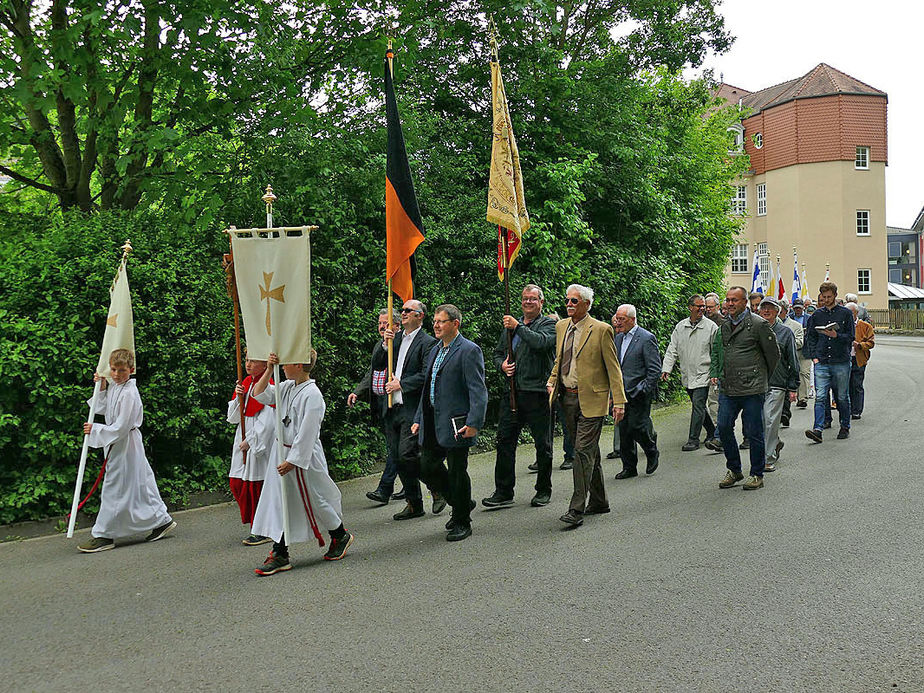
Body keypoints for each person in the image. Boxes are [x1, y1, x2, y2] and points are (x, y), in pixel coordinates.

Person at [251, 350, 353, 575]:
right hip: (282, 453)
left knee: (315, 500)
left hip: (301, 458)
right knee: (281, 502)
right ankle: (280, 552)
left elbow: (308, 432)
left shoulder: (313, 395)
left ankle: (339, 535)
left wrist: (294, 460)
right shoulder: (287, 387)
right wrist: (269, 369)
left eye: (286, 363)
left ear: (298, 364)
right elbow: (259, 395)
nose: (283, 367)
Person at [78, 348, 175, 552]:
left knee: (116, 485)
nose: (116, 374)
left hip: (126, 443)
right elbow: (104, 408)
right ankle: (160, 521)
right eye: (113, 369)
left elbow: (122, 426)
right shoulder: (115, 386)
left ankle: (104, 534)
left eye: (121, 370)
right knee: (139, 483)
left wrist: (96, 429)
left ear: (131, 370)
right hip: (118, 443)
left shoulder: (130, 392)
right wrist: (102, 387)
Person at [546, 284, 626, 528]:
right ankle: (600, 501)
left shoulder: (601, 330)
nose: (569, 304)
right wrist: (552, 380)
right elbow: (561, 359)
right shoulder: (561, 327)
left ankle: (576, 508)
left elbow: (614, 368)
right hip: (567, 398)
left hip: (593, 400)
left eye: (574, 301)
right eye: (567, 300)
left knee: (581, 452)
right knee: (590, 452)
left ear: (587, 305)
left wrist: (619, 401)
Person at [412, 305, 488, 542]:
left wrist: (474, 422)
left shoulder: (469, 350)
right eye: (434, 321)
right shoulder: (435, 350)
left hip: (458, 423)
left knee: (457, 471)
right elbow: (427, 389)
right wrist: (418, 419)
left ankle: (462, 521)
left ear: (455, 324)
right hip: (433, 420)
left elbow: (478, 391)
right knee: (426, 466)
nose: (435, 325)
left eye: (441, 321)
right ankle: (461, 502)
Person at [483, 285, 557, 508]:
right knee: (505, 441)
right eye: (525, 299)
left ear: (541, 303)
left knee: (542, 444)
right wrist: (502, 366)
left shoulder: (549, 324)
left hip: (538, 394)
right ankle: (503, 491)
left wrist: (518, 328)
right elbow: (497, 354)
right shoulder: (510, 327)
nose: (528, 302)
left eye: (533, 299)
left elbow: (541, 343)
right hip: (512, 393)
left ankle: (543, 489)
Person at [710, 287, 780, 490]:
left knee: (754, 431)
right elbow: (718, 351)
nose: (730, 304)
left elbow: (773, 355)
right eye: (728, 300)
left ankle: (756, 474)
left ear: (745, 302)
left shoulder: (758, 325)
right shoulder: (723, 326)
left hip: (752, 388)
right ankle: (734, 469)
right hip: (729, 387)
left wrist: (760, 377)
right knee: (723, 427)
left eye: (735, 300)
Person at [382, 300, 443, 520]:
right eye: (403, 310)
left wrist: (403, 384)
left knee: (407, 454)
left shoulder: (427, 342)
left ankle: (437, 487)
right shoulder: (395, 339)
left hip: (411, 407)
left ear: (420, 316)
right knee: (397, 459)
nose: (403, 313)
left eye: (408, 311)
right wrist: (384, 344)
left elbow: (427, 375)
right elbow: (379, 364)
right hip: (391, 406)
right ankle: (414, 503)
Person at [348, 309, 405, 505]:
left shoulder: (404, 343)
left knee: (397, 449)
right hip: (385, 406)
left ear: (397, 326)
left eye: (386, 323)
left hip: (402, 405)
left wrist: (392, 344)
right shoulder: (380, 345)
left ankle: (384, 489)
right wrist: (358, 391)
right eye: (380, 323)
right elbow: (373, 369)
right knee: (398, 449)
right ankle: (409, 486)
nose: (382, 327)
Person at [661, 294, 720, 452]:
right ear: (690, 307)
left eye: (704, 307)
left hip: (704, 372)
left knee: (698, 405)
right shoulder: (681, 327)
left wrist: (716, 372)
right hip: (687, 373)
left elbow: (716, 352)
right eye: (698, 306)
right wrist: (666, 368)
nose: (702, 309)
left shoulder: (711, 327)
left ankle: (693, 439)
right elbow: (672, 349)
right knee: (698, 405)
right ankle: (712, 432)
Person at [227, 355, 274, 545]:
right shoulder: (246, 382)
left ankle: (262, 527)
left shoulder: (269, 385)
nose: (247, 364)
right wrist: (239, 397)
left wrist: (252, 440)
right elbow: (233, 418)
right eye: (246, 360)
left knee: (256, 484)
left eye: (252, 361)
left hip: (258, 441)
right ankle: (257, 524)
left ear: (265, 364)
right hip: (243, 435)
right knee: (237, 482)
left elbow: (269, 419)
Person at [612, 304, 661, 479]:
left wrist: (644, 388)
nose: (618, 322)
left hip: (639, 393)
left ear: (632, 319)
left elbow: (654, 369)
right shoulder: (618, 338)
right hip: (621, 393)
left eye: (622, 319)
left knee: (636, 426)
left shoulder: (646, 338)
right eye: (617, 318)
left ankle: (651, 450)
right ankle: (629, 466)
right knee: (623, 430)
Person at [804, 281, 855, 443]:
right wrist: (814, 357)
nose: (826, 300)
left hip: (841, 360)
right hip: (822, 360)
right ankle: (817, 429)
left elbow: (851, 337)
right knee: (820, 396)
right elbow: (810, 337)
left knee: (841, 396)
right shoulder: (817, 315)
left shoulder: (845, 314)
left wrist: (836, 336)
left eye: (828, 297)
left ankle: (844, 425)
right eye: (823, 297)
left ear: (834, 295)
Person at [756, 297, 799, 472]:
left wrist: (793, 386)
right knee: (759, 421)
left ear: (777, 311)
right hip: (757, 383)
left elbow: (793, 360)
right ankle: (775, 443)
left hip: (777, 383)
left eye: (770, 308)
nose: (766, 311)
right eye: (763, 308)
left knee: (771, 420)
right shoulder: (754, 330)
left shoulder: (785, 332)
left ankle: (768, 458)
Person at [777, 298, 804, 428]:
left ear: (786, 311)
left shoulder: (795, 326)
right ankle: (782, 413)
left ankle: (785, 413)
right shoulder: (768, 325)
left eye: (780, 311)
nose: (777, 313)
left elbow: (800, 341)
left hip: (790, 359)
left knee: (787, 388)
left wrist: (788, 344)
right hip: (776, 363)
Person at [846, 302, 875, 420]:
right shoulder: (842, 325)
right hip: (844, 359)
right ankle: (847, 409)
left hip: (858, 359)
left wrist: (860, 345)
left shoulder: (865, 326)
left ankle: (856, 410)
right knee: (845, 385)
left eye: (851, 313)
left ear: (856, 313)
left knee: (856, 385)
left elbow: (871, 342)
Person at [704, 292, 724, 429]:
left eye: (711, 307)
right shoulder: (701, 321)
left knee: (714, 398)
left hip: (716, 366)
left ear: (717, 306)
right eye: (706, 307)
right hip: (702, 365)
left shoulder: (723, 323)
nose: (708, 309)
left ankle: (717, 427)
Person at [789, 299, 814, 408]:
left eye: (799, 308)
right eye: (796, 308)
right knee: (794, 373)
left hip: (805, 350)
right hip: (792, 349)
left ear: (803, 307)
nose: (797, 310)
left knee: (804, 373)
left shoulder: (809, 318)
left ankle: (802, 398)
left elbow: (813, 333)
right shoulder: (789, 318)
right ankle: (793, 395)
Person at [606, 312, 622, 461]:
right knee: (618, 415)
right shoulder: (610, 340)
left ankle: (649, 435)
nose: (617, 328)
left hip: (632, 384)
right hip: (616, 383)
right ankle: (618, 448)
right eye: (615, 325)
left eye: (619, 324)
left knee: (640, 420)